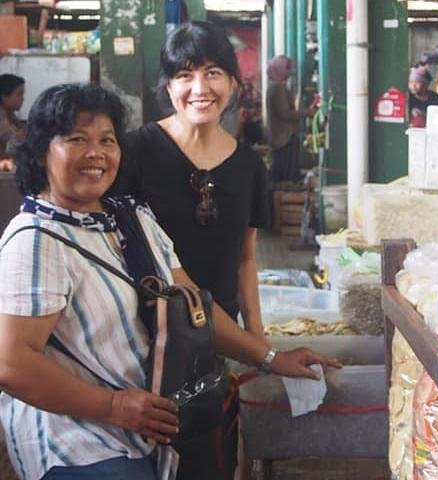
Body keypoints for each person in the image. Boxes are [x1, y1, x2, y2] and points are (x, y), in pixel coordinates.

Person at [0, 82, 340, 480]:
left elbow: (192, 308)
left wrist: (271, 358)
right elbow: (4, 361)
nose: (95, 153)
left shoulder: (130, 218)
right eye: (77, 139)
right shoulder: (36, 240)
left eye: (107, 140)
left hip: (146, 432)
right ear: (41, 152)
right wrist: (112, 407)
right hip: (77, 443)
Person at [109, 21, 271, 479]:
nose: (200, 88)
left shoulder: (248, 166)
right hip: (141, 344)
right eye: (184, 75)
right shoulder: (135, 151)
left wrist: (256, 338)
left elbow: (245, 257)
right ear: (168, 86)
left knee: (207, 456)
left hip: (213, 345)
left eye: (214, 72)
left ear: (234, 84)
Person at [266, 55, 310, 183]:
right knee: (287, 176)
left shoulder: (274, 86)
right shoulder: (278, 87)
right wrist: (307, 113)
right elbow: (285, 113)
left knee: (281, 172)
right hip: (285, 138)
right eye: (287, 69)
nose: (290, 73)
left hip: (279, 137)